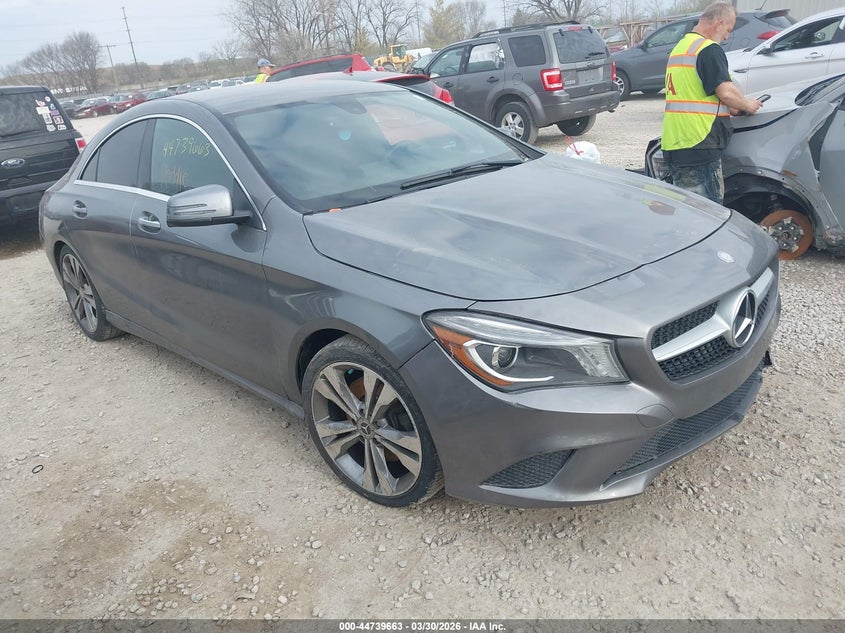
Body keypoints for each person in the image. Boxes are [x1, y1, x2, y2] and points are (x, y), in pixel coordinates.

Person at [661, 2, 764, 204]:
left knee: (686, 208)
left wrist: (733, 106)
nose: (727, 36)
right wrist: (747, 105)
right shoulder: (708, 49)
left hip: (676, 142)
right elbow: (725, 92)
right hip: (699, 142)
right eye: (728, 30)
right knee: (708, 213)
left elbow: (696, 92)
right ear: (719, 23)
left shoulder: (680, 49)